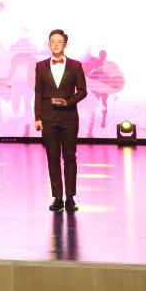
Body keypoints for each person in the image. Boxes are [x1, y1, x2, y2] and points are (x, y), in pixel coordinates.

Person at [34, 29, 88, 213]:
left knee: (70, 157)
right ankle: (58, 197)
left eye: (59, 41)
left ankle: (70, 198)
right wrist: (38, 117)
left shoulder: (75, 65)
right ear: (48, 44)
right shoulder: (40, 66)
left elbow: (82, 91)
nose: (55, 44)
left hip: (69, 117)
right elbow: (38, 92)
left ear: (66, 44)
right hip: (48, 117)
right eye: (52, 41)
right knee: (52, 157)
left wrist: (68, 102)